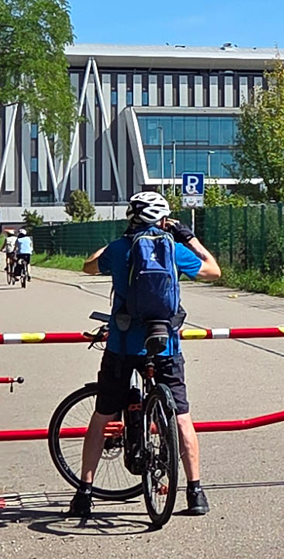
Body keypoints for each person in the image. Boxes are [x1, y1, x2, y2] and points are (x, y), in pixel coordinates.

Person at [69, 191, 221, 520]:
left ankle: (84, 493)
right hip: (165, 346)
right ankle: (195, 493)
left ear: (131, 218)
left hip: (122, 346)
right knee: (180, 416)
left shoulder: (121, 248)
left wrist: (120, 239)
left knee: (102, 416)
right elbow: (213, 270)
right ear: (164, 220)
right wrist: (189, 237)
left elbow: (88, 266)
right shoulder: (173, 250)